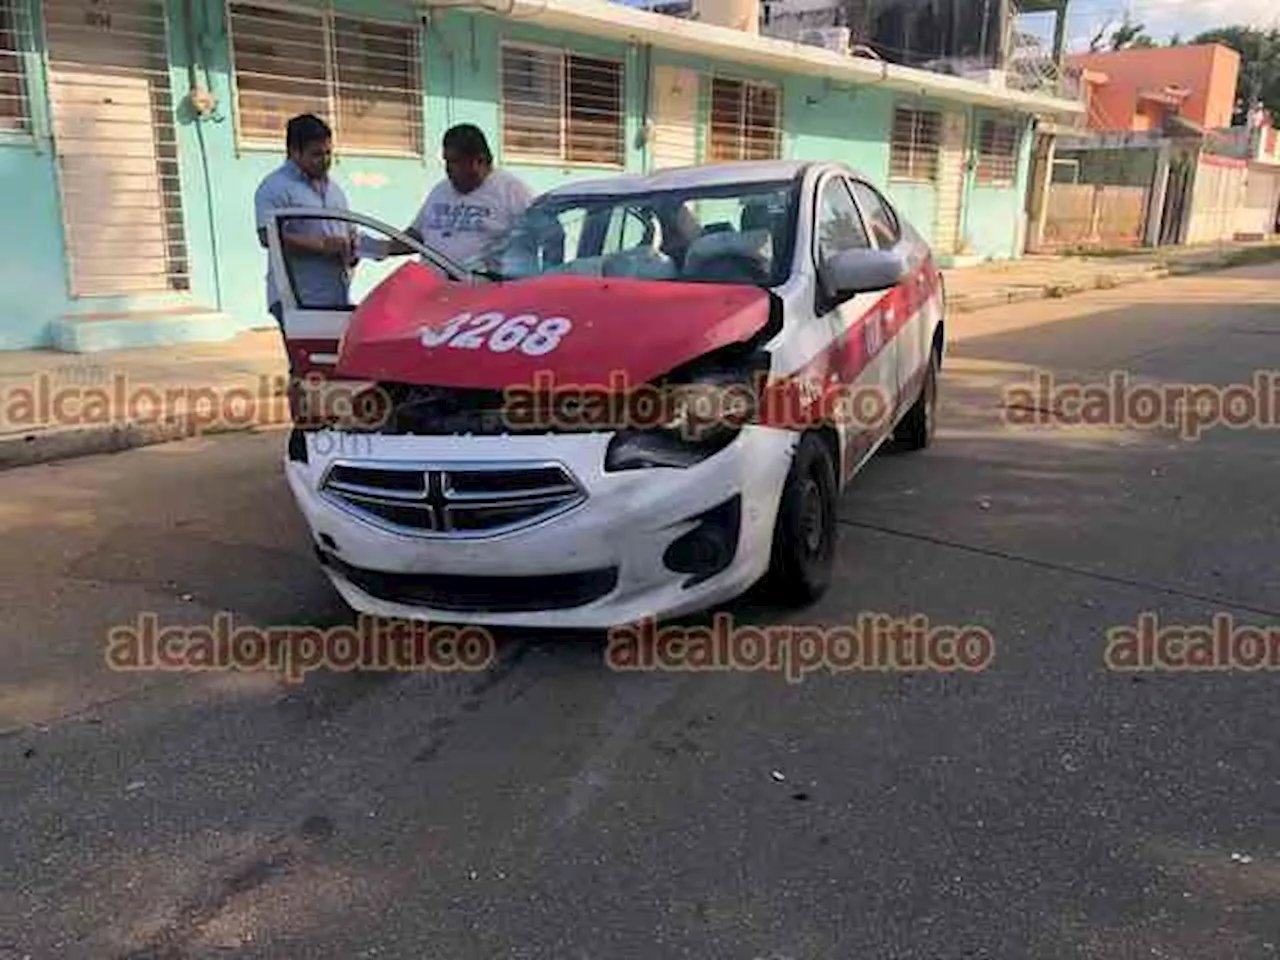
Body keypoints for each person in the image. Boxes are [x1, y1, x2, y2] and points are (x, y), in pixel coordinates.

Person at [253, 113, 355, 333]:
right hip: (297, 298)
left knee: (332, 363)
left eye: (329, 153)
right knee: (308, 365)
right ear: (293, 152)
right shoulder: (276, 187)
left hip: (334, 295)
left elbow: (348, 231)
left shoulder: (334, 189)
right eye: (316, 154)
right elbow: (267, 236)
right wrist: (321, 245)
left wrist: (353, 247)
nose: (325, 160)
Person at [398, 124, 535, 267]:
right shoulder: (440, 190)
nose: (448, 169)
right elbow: (417, 235)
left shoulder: (512, 191)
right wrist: (382, 248)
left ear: (479, 161)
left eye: (455, 162)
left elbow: (543, 236)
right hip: (433, 285)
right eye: (446, 161)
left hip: (482, 286)